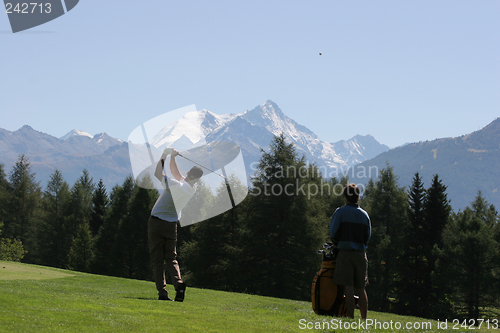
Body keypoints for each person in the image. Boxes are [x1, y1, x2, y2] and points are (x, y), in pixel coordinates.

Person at [148, 147, 203, 301]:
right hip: (172, 226)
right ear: (197, 179)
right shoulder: (192, 189)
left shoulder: (174, 184)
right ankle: (178, 283)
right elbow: (176, 174)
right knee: (171, 258)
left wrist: (165, 154)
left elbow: (158, 173)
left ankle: (162, 293)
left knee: (157, 260)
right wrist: (173, 157)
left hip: (156, 222)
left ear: (188, 174)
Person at [329, 183, 371, 319]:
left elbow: (333, 232)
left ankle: (350, 317)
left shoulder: (340, 212)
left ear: (346, 197)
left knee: (348, 287)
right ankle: (364, 319)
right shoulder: (365, 215)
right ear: (358, 197)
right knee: (361, 288)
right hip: (360, 254)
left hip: (345, 253)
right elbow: (367, 237)